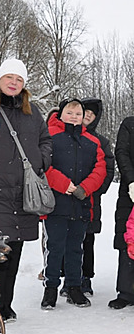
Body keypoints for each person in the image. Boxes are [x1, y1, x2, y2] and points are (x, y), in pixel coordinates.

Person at [0, 58, 53, 322]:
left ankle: (5, 304)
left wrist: (41, 161)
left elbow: (46, 141)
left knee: (13, 253)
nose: (13, 83)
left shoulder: (33, 112)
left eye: (19, 79)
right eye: (9, 78)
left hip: (22, 193)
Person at [41, 98, 106, 310]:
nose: (74, 117)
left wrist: (84, 188)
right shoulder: (50, 135)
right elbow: (43, 165)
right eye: (70, 113)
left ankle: (74, 287)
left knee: (76, 248)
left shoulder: (92, 141)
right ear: (61, 114)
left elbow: (100, 169)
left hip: (81, 203)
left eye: (78, 113)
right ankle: (50, 288)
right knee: (55, 247)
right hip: (56, 202)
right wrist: (64, 184)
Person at [58, 97, 115, 297]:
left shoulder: (101, 141)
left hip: (89, 199)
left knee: (86, 239)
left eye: (92, 114)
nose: (88, 116)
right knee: (64, 239)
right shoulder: (61, 136)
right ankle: (67, 278)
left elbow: (107, 169)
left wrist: (92, 189)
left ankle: (86, 277)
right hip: (64, 196)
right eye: (86, 112)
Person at [108, 116, 134, 309]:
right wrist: (131, 180)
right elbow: (122, 152)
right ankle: (125, 291)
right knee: (127, 237)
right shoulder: (129, 123)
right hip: (130, 190)